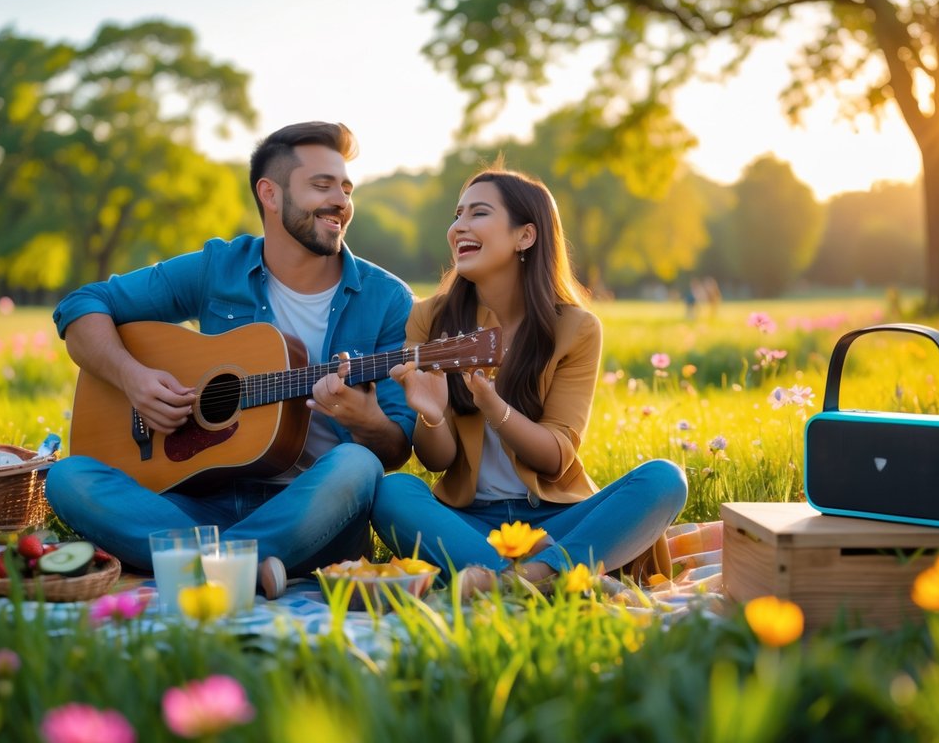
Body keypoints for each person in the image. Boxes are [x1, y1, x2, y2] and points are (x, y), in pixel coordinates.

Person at [45, 121, 415, 598]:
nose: (341, 201)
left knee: (358, 466)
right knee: (68, 477)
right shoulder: (219, 268)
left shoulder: (387, 299)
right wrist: (134, 379)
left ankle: (195, 564)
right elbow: (82, 306)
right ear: (271, 194)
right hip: (198, 503)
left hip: (309, 513)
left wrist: (367, 422)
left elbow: (396, 447)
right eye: (321, 185)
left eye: (346, 188)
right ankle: (248, 564)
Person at [370, 168, 688, 593]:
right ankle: (558, 574)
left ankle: (524, 577)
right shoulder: (431, 318)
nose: (459, 226)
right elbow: (438, 461)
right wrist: (430, 417)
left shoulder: (576, 329)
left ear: (525, 236)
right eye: (457, 214)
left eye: (478, 213)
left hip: (554, 516)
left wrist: (494, 407)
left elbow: (557, 458)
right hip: (471, 520)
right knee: (393, 492)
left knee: (665, 480)